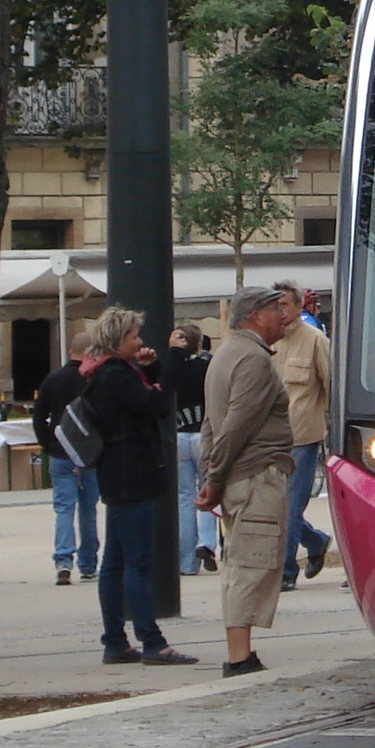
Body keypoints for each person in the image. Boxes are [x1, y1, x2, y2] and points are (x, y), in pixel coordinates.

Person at [83, 307, 198, 667]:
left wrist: (148, 368)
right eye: (134, 336)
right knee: (137, 563)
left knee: (115, 563)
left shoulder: (109, 374)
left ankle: (115, 639)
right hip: (132, 475)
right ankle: (151, 640)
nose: (140, 341)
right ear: (118, 340)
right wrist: (174, 357)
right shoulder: (115, 377)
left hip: (117, 475)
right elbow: (158, 404)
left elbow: (145, 399)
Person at [197, 286, 299, 678]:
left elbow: (212, 423)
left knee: (240, 561)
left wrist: (212, 475)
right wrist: (215, 477)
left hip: (237, 477)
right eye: (276, 309)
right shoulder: (254, 360)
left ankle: (241, 651)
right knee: (250, 563)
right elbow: (237, 425)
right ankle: (239, 657)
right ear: (255, 315)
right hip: (256, 475)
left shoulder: (225, 354)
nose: (283, 316)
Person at [271, 285, 334, 591]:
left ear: (298, 306)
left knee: (290, 506)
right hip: (269, 439)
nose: (280, 311)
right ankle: (316, 540)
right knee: (275, 506)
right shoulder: (267, 341)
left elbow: (331, 384)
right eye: (275, 305)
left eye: (284, 304)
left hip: (303, 436)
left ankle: (285, 572)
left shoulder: (314, 340)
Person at [32, 328, 102, 586]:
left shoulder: (53, 380)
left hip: (60, 452)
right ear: (90, 352)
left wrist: (46, 443)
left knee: (63, 508)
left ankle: (63, 560)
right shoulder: (93, 379)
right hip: (88, 455)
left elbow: (39, 415)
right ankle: (88, 563)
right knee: (88, 510)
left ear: (70, 351)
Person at [164, 324, 220, 574]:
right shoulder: (207, 367)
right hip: (204, 435)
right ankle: (206, 542)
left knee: (185, 498)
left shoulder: (172, 367)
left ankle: (187, 562)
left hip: (179, 434)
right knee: (208, 490)